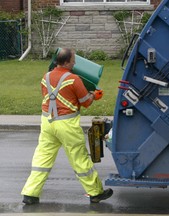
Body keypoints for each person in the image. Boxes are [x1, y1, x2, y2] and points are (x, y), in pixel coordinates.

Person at [21, 48, 113, 205]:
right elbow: (86, 102)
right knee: (80, 159)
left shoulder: (46, 77)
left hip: (47, 122)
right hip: (67, 124)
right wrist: (94, 95)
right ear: (66, 62)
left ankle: (30, 194)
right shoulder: (74, 79)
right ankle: (95, 193)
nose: (75, 63)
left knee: (42, 159)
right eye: (73, 60)